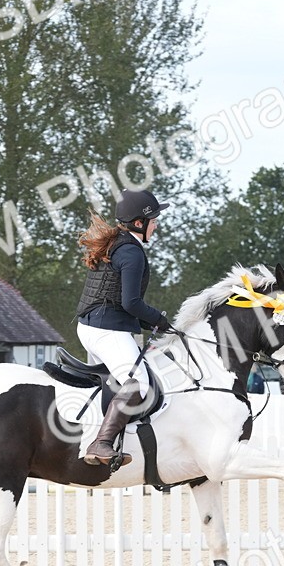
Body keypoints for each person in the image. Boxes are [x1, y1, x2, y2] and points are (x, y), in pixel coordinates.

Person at [75, 189, 171, 465]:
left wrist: (151, 322)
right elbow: (131, 302)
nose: (157, 224)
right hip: (106, 330)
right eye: (153, 220)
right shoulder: (131, 252)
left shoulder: (117, 243)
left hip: (92, 327)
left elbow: (120, 300)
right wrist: (158, 320)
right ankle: (102, 443)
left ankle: (95, 438)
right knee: (138, 382)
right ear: (139, 223)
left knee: (112, 385)